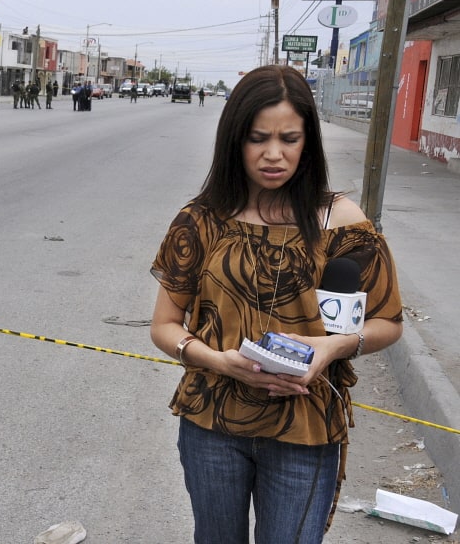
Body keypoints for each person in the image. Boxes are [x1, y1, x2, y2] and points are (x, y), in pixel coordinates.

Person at [149, 65, 402, 543]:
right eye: (257, 138)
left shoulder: (341, 222)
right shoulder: (200, 221)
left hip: (306, 428)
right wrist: (219, 361)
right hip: (212, 424)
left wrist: (330, 350)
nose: (273, 154)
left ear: (308, 142)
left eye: (289, 138)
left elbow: (387, 322)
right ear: (233, 141)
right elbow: (164, 325)